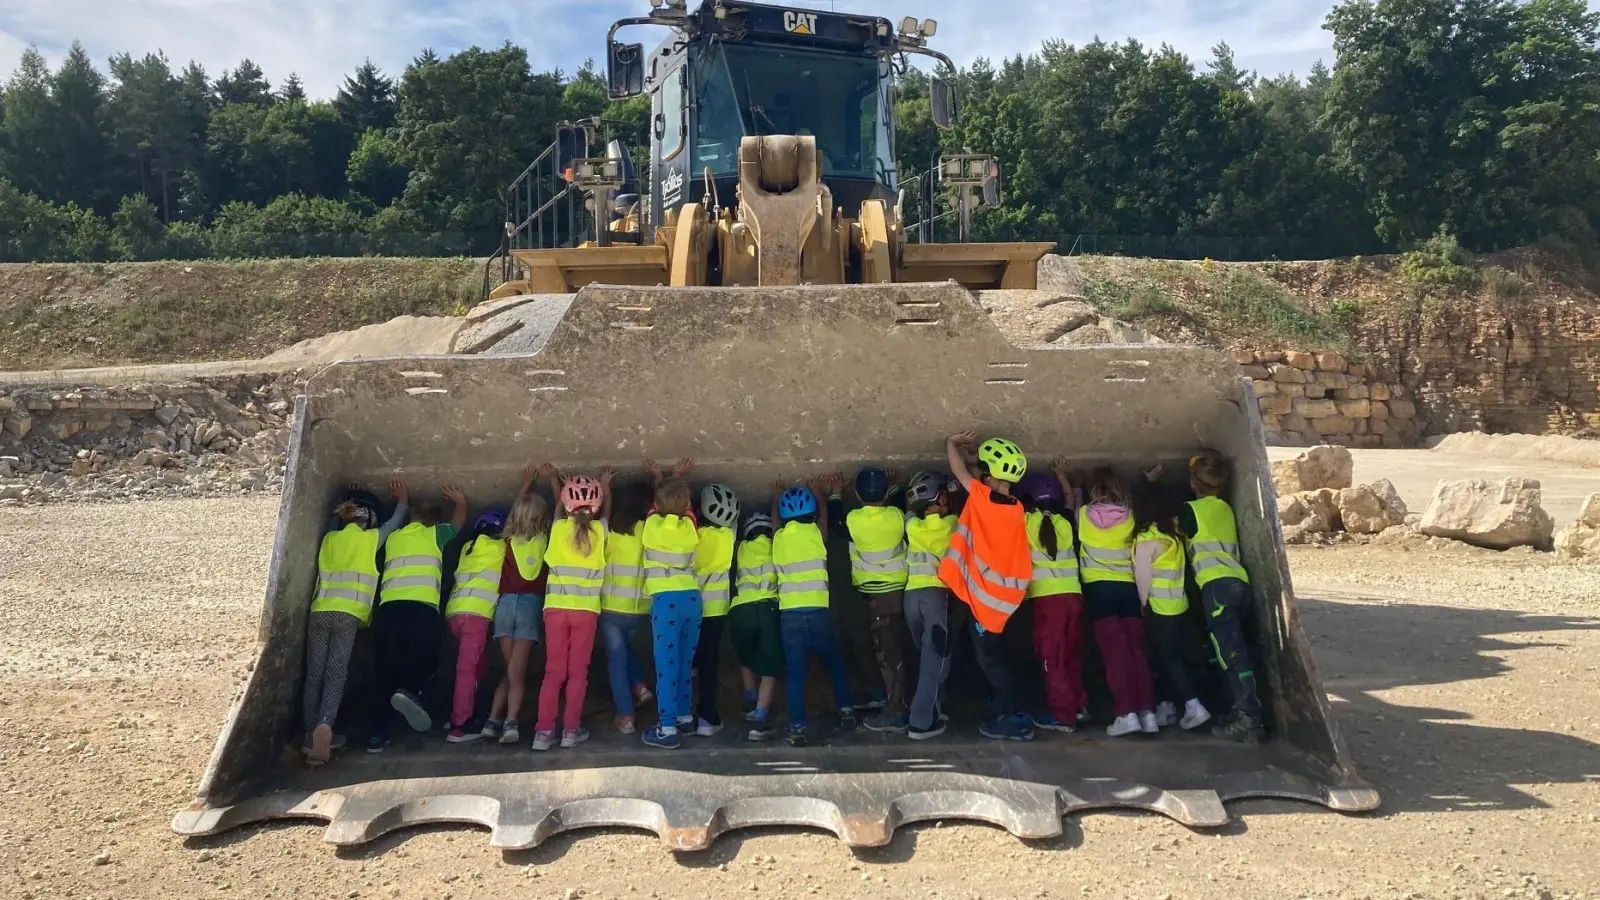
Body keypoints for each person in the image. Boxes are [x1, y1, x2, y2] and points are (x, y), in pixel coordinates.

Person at [302, 481, 407, 765]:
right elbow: (397, 520)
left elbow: (334, 519)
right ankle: (326, 724)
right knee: (336, 674)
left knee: (314, 675)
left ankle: (310, 734)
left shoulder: (328, 538)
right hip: (349, 615)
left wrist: (343, 495)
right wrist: (403, 498)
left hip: (320, 611)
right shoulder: (371, 538)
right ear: (370, 518)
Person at [939, 433, 1035, 742]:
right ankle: (1004, 702)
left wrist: (952, 445)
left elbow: (960, 473)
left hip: (987, 604)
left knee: (990, 660)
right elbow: (978, 477)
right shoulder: (1015, 506)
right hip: (1006, 597)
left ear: (990, 476)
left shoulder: (981, 497)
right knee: (995, 654)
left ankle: (1014, 714)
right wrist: (973, 459)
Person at [366, 483, 467, 753]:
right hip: (422, 610)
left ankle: (377, 735)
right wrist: (460, 501)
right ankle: (412, 692)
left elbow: (391, 521)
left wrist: (402, 499)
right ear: (433, 520)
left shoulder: (395, 538)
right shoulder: (435, 535)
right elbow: (458, 523)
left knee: (384, 671)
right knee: (425, 663)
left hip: (388, 610)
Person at [1184, 452, 1267, 743]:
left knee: (1230, 654)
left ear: (1193, 482)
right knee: (1239, 649)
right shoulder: (1226, 509)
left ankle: (1249, 719)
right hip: (1238, 583)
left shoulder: (1190, 511)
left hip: (1216, 588)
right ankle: (1239, 708)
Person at [531, 467, 612, 750]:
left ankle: (543, 733)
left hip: (555, 609)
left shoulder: (556, 530)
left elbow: (558, 512)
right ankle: (570, 731)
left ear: (566, 503)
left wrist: (555, 481)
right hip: (586, 612)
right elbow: (606, 513)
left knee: (554, 672)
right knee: (578, 672)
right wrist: (605, 485)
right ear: (597, 505)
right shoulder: (600, 532)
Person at [773, 475, 855, 747]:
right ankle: (846, 710)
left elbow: (775, 523)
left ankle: (797, 728)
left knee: (795, 673)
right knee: (834, 662)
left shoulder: (779, 539)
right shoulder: (817, 534)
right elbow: (824, 519)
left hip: (790, 616)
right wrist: (819, 492)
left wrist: (776, 498)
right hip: (819, 612)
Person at [1078, 466, 1156, 737]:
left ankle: (1125, 713)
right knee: (1136, 652)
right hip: (1128, 590)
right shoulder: (1131, 518)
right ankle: (1147, 713)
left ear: (1094, 490)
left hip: (1099, 591)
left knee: (1114, 655)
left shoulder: (1083, 516)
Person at [1131, 480, 1211, 732]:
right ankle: (1167, 707)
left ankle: (1193, 705)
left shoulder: (1146, 540)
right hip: (1179, 605)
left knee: (1168, 658)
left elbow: (1143, 577)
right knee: (1173, 658)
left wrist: (1142, 603)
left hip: (1158, 608)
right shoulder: (1173, 536)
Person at [836, 467, 910, 732]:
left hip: (879, 598)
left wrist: (834, 495)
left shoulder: (854, 519)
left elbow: (837, 523)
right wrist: (894, 485)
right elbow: (897, 502)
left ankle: (895, 712)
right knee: (891, 649)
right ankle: (884, 696)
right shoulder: (897, 516)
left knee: (888, 655)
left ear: (856, 494)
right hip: (899, 592)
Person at [483, 466, 553, 746]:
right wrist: (552, 481)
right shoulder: (545, 539)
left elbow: (513, 514)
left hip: (504, 605)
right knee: (517, 669)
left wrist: (525, 484)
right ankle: (510, 721)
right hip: (529, 605)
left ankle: (492, 720)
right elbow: (558, 514)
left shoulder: (509, 539)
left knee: (510, 668)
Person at [1017, 465, 1087, 734]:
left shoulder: (1025, 522)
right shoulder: (1065, 521)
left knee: (1052, 659)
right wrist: (1062, 476)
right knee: (1070, 656)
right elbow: (1070, 501)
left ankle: (1063, 716)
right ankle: (1079, 705)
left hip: (1049, 603)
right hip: (1073, 596)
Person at [639, 458, 701, 749]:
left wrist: (660, 477)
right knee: (684, 663)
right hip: (691, 598)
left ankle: (667, 728)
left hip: (665, 603)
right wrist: (675, 478)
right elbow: (679, 509)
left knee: (666, 664)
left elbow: (658, 506)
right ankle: (685, 717)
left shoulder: (650, 527)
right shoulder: (690, 528)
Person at [444, 508, 509, 742]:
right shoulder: (501, 548)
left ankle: (458, 713)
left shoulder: (467, 549)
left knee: (477, 665)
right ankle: (460, 725)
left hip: (455, 613)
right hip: (477, 616)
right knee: (468, 670)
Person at [902, 471, 958, 740]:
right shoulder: (952, 525)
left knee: (924, 654)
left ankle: (936, 705)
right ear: (941, 498)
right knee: (934, 659)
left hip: (911, 596)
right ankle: (921, 722)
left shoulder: (911, 524)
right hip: (936, 596)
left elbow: (910, 510)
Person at [598, 480, 654, 735]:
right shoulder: (648, 530)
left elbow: (604, 517)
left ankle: (626, 715)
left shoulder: (610, 531)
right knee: (625, 649)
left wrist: (606, 490)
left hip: (610, 608)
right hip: (640, 608)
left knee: (616, 661)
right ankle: (640, 687)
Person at [693, 483, 740, 736]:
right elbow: (733, 525)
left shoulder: (693, 535)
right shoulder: (728, 538)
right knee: (710, 665)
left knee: (686, 660)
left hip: (691, 607)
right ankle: (706, 718)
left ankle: (682, 713)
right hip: (716, 610)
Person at [730, 510, 782, 740]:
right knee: (770, 667)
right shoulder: (776, 545)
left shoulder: (741, 548)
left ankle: (750, 699)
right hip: (768, 608)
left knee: (746, 657)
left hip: (741, 609)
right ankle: (760, 715)